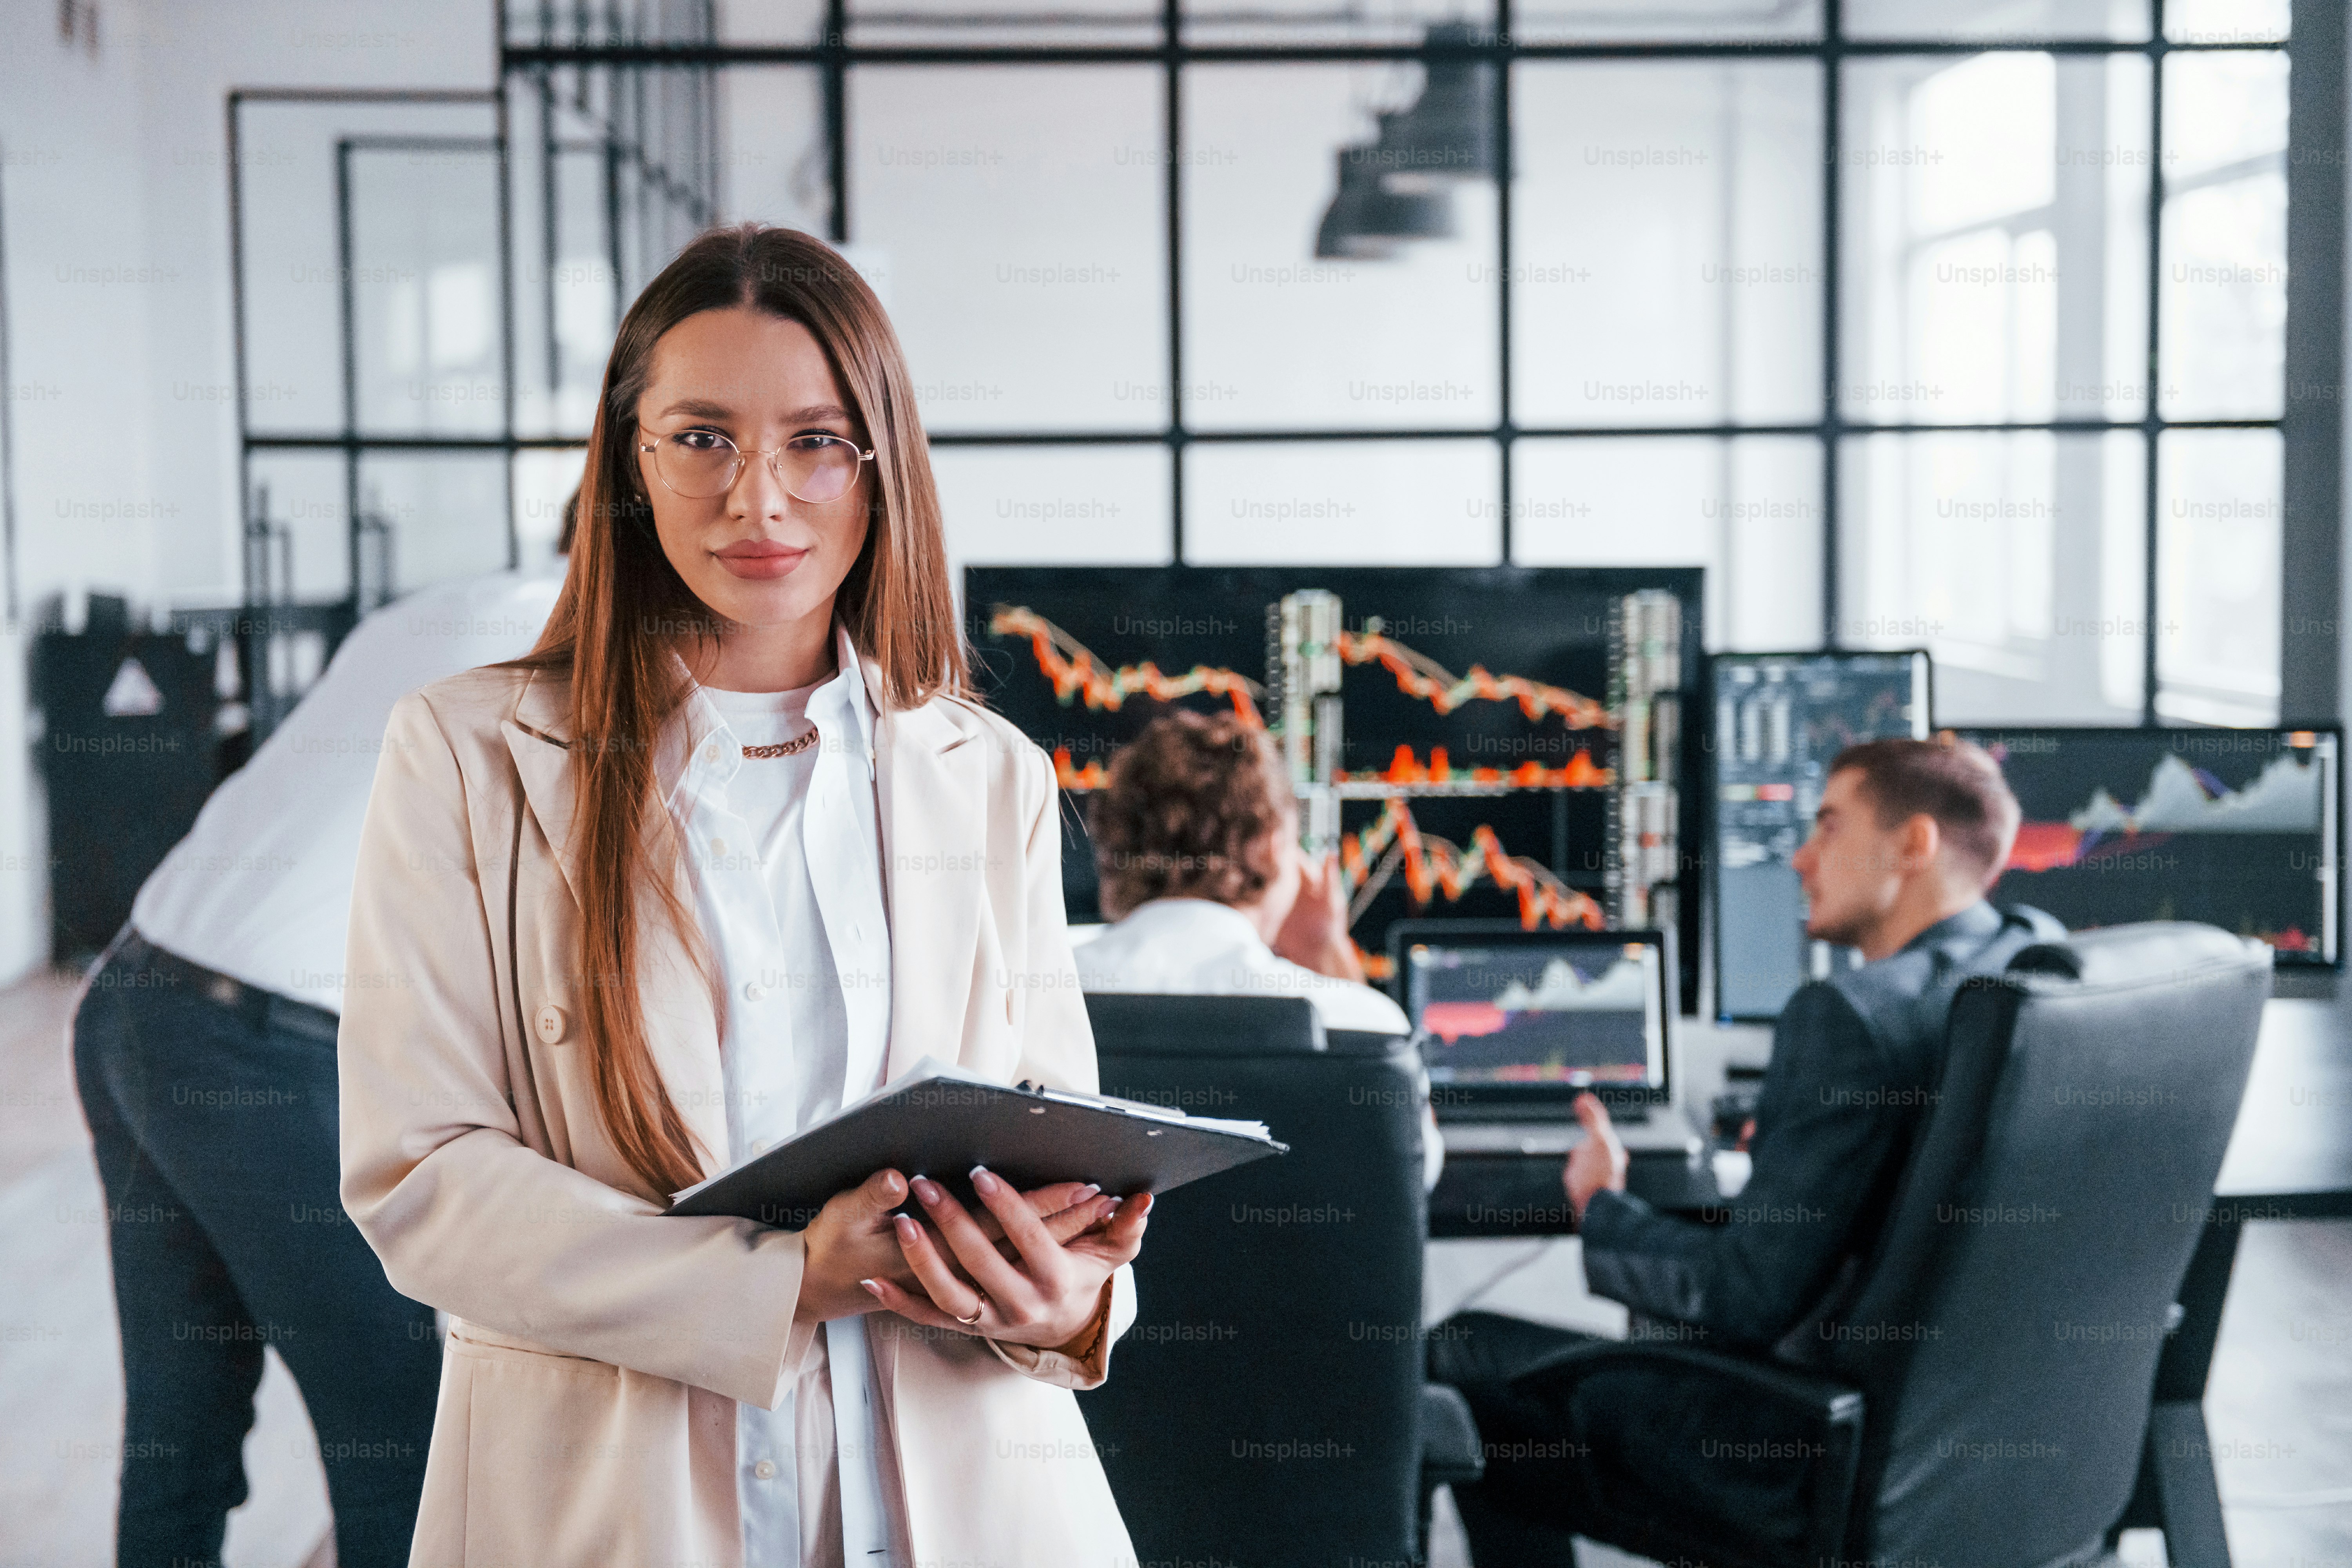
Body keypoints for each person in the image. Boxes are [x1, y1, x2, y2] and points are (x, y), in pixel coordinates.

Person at [336, 223, 1151, 1568]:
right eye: (703, 438)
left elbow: (1056, 1145)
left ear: (882, 464)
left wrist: (1066, 1298)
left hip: (957, 1497)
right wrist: (780, 1285)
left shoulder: (985, 771)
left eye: (818, 441)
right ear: (631, 460)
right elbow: (421, 1181)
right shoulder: (467, 753)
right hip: (608, 1497)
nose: (760, 501)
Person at [69, 514, 573, 1566]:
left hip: (135, 995)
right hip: (255, 1047)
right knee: (408, 1444)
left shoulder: (445, 606)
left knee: (181, 1426)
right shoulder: (569, 647)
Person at [1428, 737, 2063, 1551]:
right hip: (1967, 1451)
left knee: (1461, 1350)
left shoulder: (1849, 1019)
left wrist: (1603, 1206)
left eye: (1829, 826)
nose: (1800, 858)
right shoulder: (2032, 958)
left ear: (1915, 843)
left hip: (1802, 1455)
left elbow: (1744, 1298)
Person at [1074, 708, 1443, 1190]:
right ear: (1272, 847)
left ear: (1111, 848)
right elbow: (1414, 1174)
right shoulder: (1365, 1027)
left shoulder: (1040, 1000)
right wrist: (1327, 953)